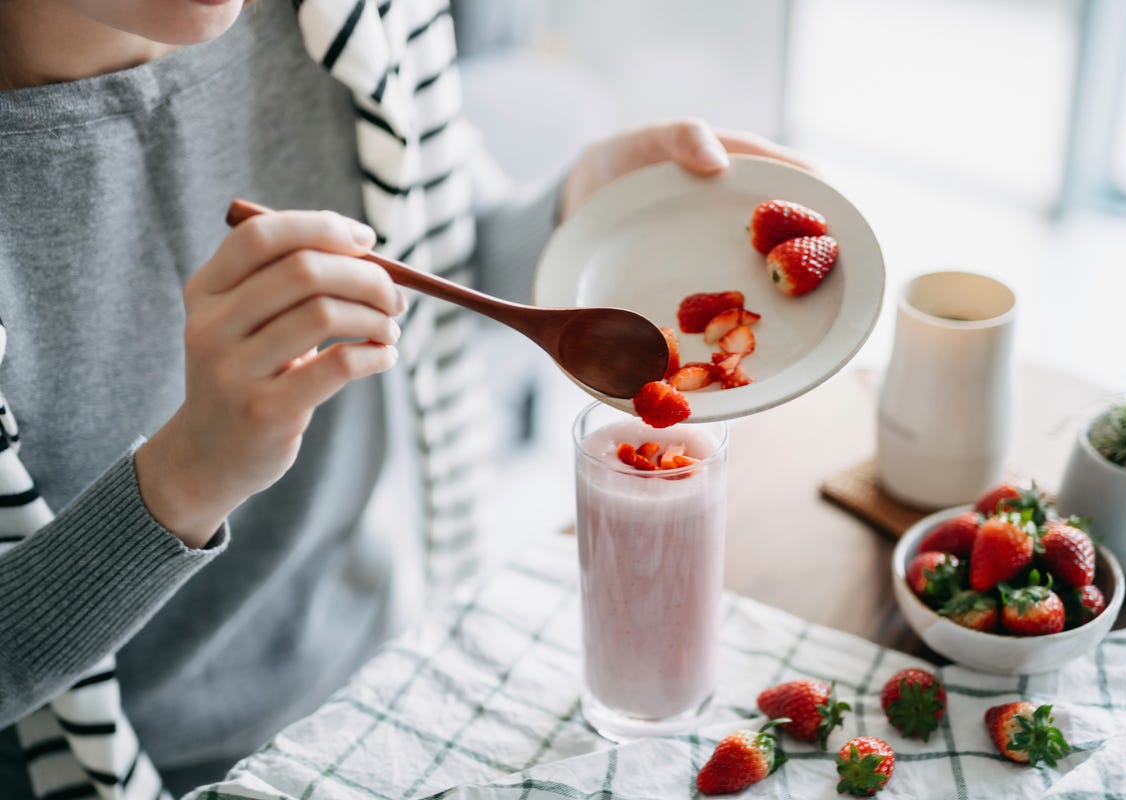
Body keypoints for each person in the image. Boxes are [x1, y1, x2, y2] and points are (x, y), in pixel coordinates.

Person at [0, 0, 809, 796]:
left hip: (387, 665)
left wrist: (569, 215)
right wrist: (187, 475)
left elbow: (423, 248)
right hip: (127, 766)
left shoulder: (352, 16)